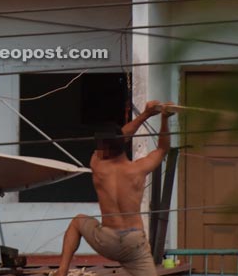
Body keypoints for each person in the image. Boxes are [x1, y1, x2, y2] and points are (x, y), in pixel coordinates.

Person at [53, 100, 174, 276]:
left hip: (106, 241)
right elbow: (163, 148)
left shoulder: (98, 164)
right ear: (122, 144)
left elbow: (119, 137)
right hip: (133, 245)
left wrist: (144, 115)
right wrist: (164, 118)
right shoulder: (138, 169)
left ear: (103, 147)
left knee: (78, 221)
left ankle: (62, 271)